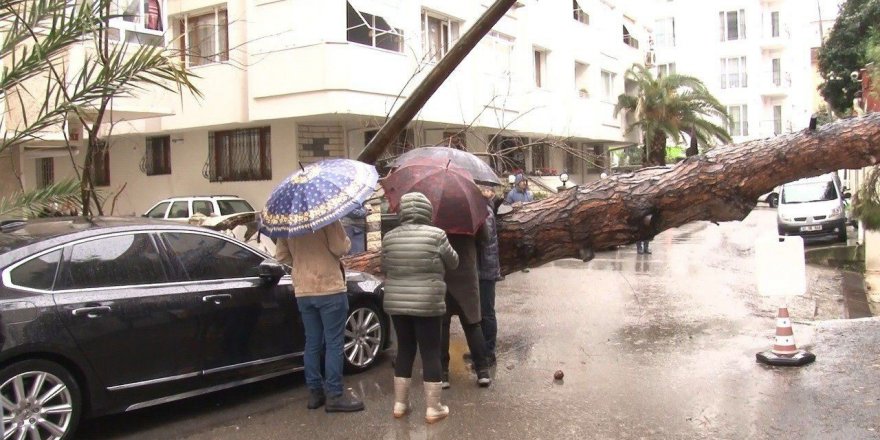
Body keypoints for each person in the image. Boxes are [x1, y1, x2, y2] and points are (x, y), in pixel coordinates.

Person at [382, 192, 459, 423]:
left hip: (397, 303)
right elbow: (453, 262)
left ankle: (400, 404)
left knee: (405, 350)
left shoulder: (390, 237)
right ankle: (433, 408)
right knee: (430, 352)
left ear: (403, 211)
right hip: (428, 302)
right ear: (427, 211)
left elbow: (384, 265)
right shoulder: (437, 235)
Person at [275, 220, 364, 413]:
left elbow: (281, 256)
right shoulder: (326, 218)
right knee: (334, 343)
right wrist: (346, 240)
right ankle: (335, 395)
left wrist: (302, 263)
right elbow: (340, 248)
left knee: (312, 342)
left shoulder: (287, 223)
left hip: (304, 290)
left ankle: (315, 393)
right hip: (329, 287)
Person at [441, 226, 492, 389]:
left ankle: (442, 374)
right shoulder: (470, 215)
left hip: (444, 275)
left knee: (442, 325)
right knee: (472, 323)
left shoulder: (437, 216)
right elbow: (486, 237)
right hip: (467, 274)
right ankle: (482, 371)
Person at [476, 186, 501, 366]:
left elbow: (484, 237)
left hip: (486, 269)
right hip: (480, 268)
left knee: (487, 312)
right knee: (478, 313)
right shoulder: (480, 209)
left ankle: (489, 352)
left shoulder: (486, 211)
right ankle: (480, 349)